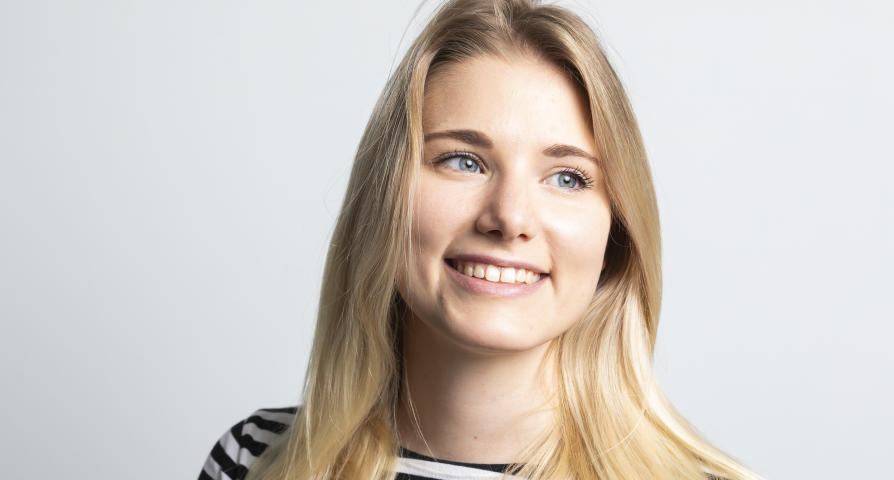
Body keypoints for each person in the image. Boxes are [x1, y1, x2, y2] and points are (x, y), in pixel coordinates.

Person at [196, 1, 763, 479]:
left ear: (616, 234)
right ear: (385, 196)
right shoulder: (254, 462)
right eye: (463, 161)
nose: (509, 217)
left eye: (567, 178)